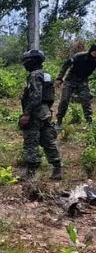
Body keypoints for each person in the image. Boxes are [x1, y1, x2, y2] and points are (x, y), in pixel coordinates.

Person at [19, 49, 62, 181]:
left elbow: (36, 95)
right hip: (45, 112)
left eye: (26, 61)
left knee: (31, 141)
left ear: (32, 61)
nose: (25, 64)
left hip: (35, 112)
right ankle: (57, 169)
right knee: (47, 140)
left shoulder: (34, 75)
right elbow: (49, 96)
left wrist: (26, 114)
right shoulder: (46, 75)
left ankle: (31, 174)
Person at [56, 43, 96, 126]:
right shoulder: (79, 56)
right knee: (64, 100)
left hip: (83, 81)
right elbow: (66, 65)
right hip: (71, 79)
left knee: (86, 100)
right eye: (95, 53)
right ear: (91, 51)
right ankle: (59, 121)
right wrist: (60, 78)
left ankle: (89, 122)